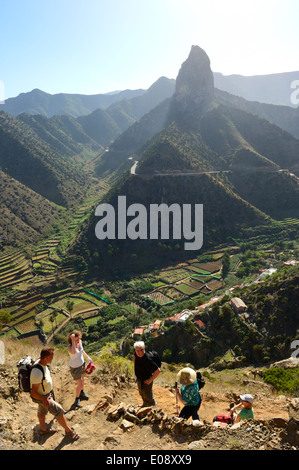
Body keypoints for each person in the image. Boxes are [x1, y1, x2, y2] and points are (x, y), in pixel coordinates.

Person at [30, 347, 79, 440]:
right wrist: (44, 398)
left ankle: (43, 430)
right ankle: (69, 432)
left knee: (42, 410)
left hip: (45, 395)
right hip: (42, 397)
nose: (53, 358)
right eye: (51, 356)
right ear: (45, 357)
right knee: (59, 410)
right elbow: (33, 393)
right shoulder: (36, 373)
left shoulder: (43, 364)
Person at [67, 330, 91, 408]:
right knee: (80, 383)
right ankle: (77, 399)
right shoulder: (70, 347)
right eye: (76, 339)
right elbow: (74, 352)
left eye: (78, 339)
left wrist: (88, 357)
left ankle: (82, 392)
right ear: (72, 339)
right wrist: (73, 340)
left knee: (83, 380)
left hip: (82, 364)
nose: (78, 341)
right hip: (75, 368)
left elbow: (82, 351)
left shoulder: (79, 342)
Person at [133, 341, 161, 407]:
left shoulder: (148, 359)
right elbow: (134, 360)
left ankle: (153, 410)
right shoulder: (135, 354)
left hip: (146, 379)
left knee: (148, 396)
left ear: (144, 349)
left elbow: (158, 371)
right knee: (142, 393)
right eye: (137, 350)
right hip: (139, 378)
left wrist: (150, 380)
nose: (139, 352)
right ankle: (145, 404)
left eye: (141, 350)